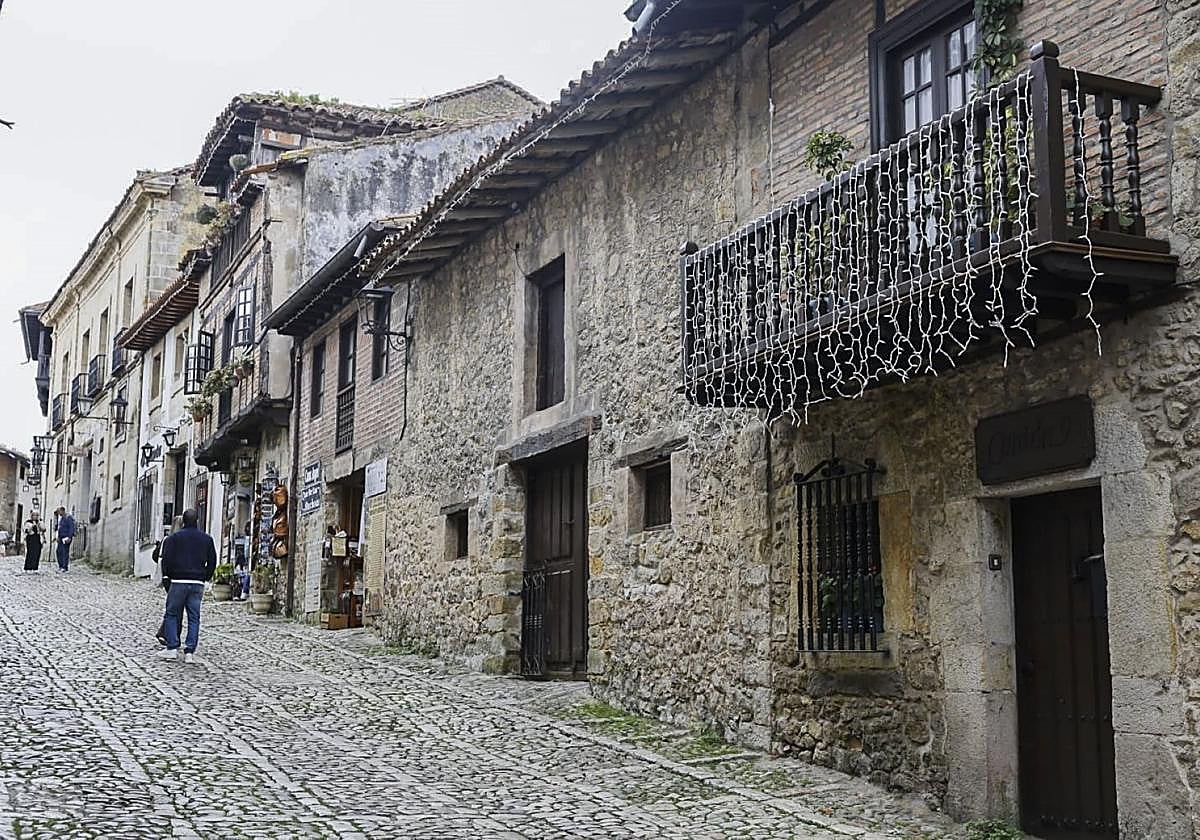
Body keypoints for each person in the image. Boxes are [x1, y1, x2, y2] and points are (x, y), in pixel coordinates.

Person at [157, 509, 217, 664]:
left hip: (178, 581)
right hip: (197, 583)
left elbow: (166, 559)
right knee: (194, 617)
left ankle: (172, 648)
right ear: (197, 521)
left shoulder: (174, 538)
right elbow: (212, 561)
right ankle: (190, 652)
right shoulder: (206, 539)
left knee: (172, 614)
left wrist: (167, 577)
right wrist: (205, 577)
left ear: (183, 521)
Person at [153, 518, 184, 646]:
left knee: (173, 606)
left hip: (167, 578)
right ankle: (168, 634)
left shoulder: (167, 539)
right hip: (175, 577)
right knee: (176, 608)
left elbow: (155, 556)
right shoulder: (178, 541)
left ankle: (169, 633)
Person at [54, 506, 75, 572]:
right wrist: (57, 537)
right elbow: (59, 528)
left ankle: (64, 566)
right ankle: (60, 565)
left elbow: (71, 527)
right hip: (61, 538)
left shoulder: (68, 518)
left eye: (59, 511)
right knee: (58, 551)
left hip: (66, 537)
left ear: (62, 511)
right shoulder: (62, 519)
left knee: (64, 552)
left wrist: (69, 537)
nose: (58, 513)